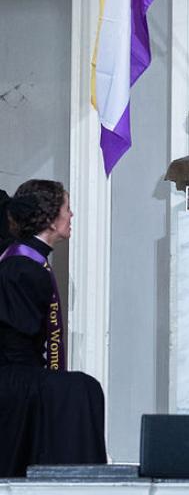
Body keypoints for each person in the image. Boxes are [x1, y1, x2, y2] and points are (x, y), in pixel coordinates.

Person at [0, 180, 106, 476]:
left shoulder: (27, 263)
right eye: (67, 209)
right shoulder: (20, 268)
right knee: (81, 390)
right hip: (12, 379)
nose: (71, 216)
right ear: (49, 218)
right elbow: (18, 347)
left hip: (21, 375)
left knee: (79, 388)